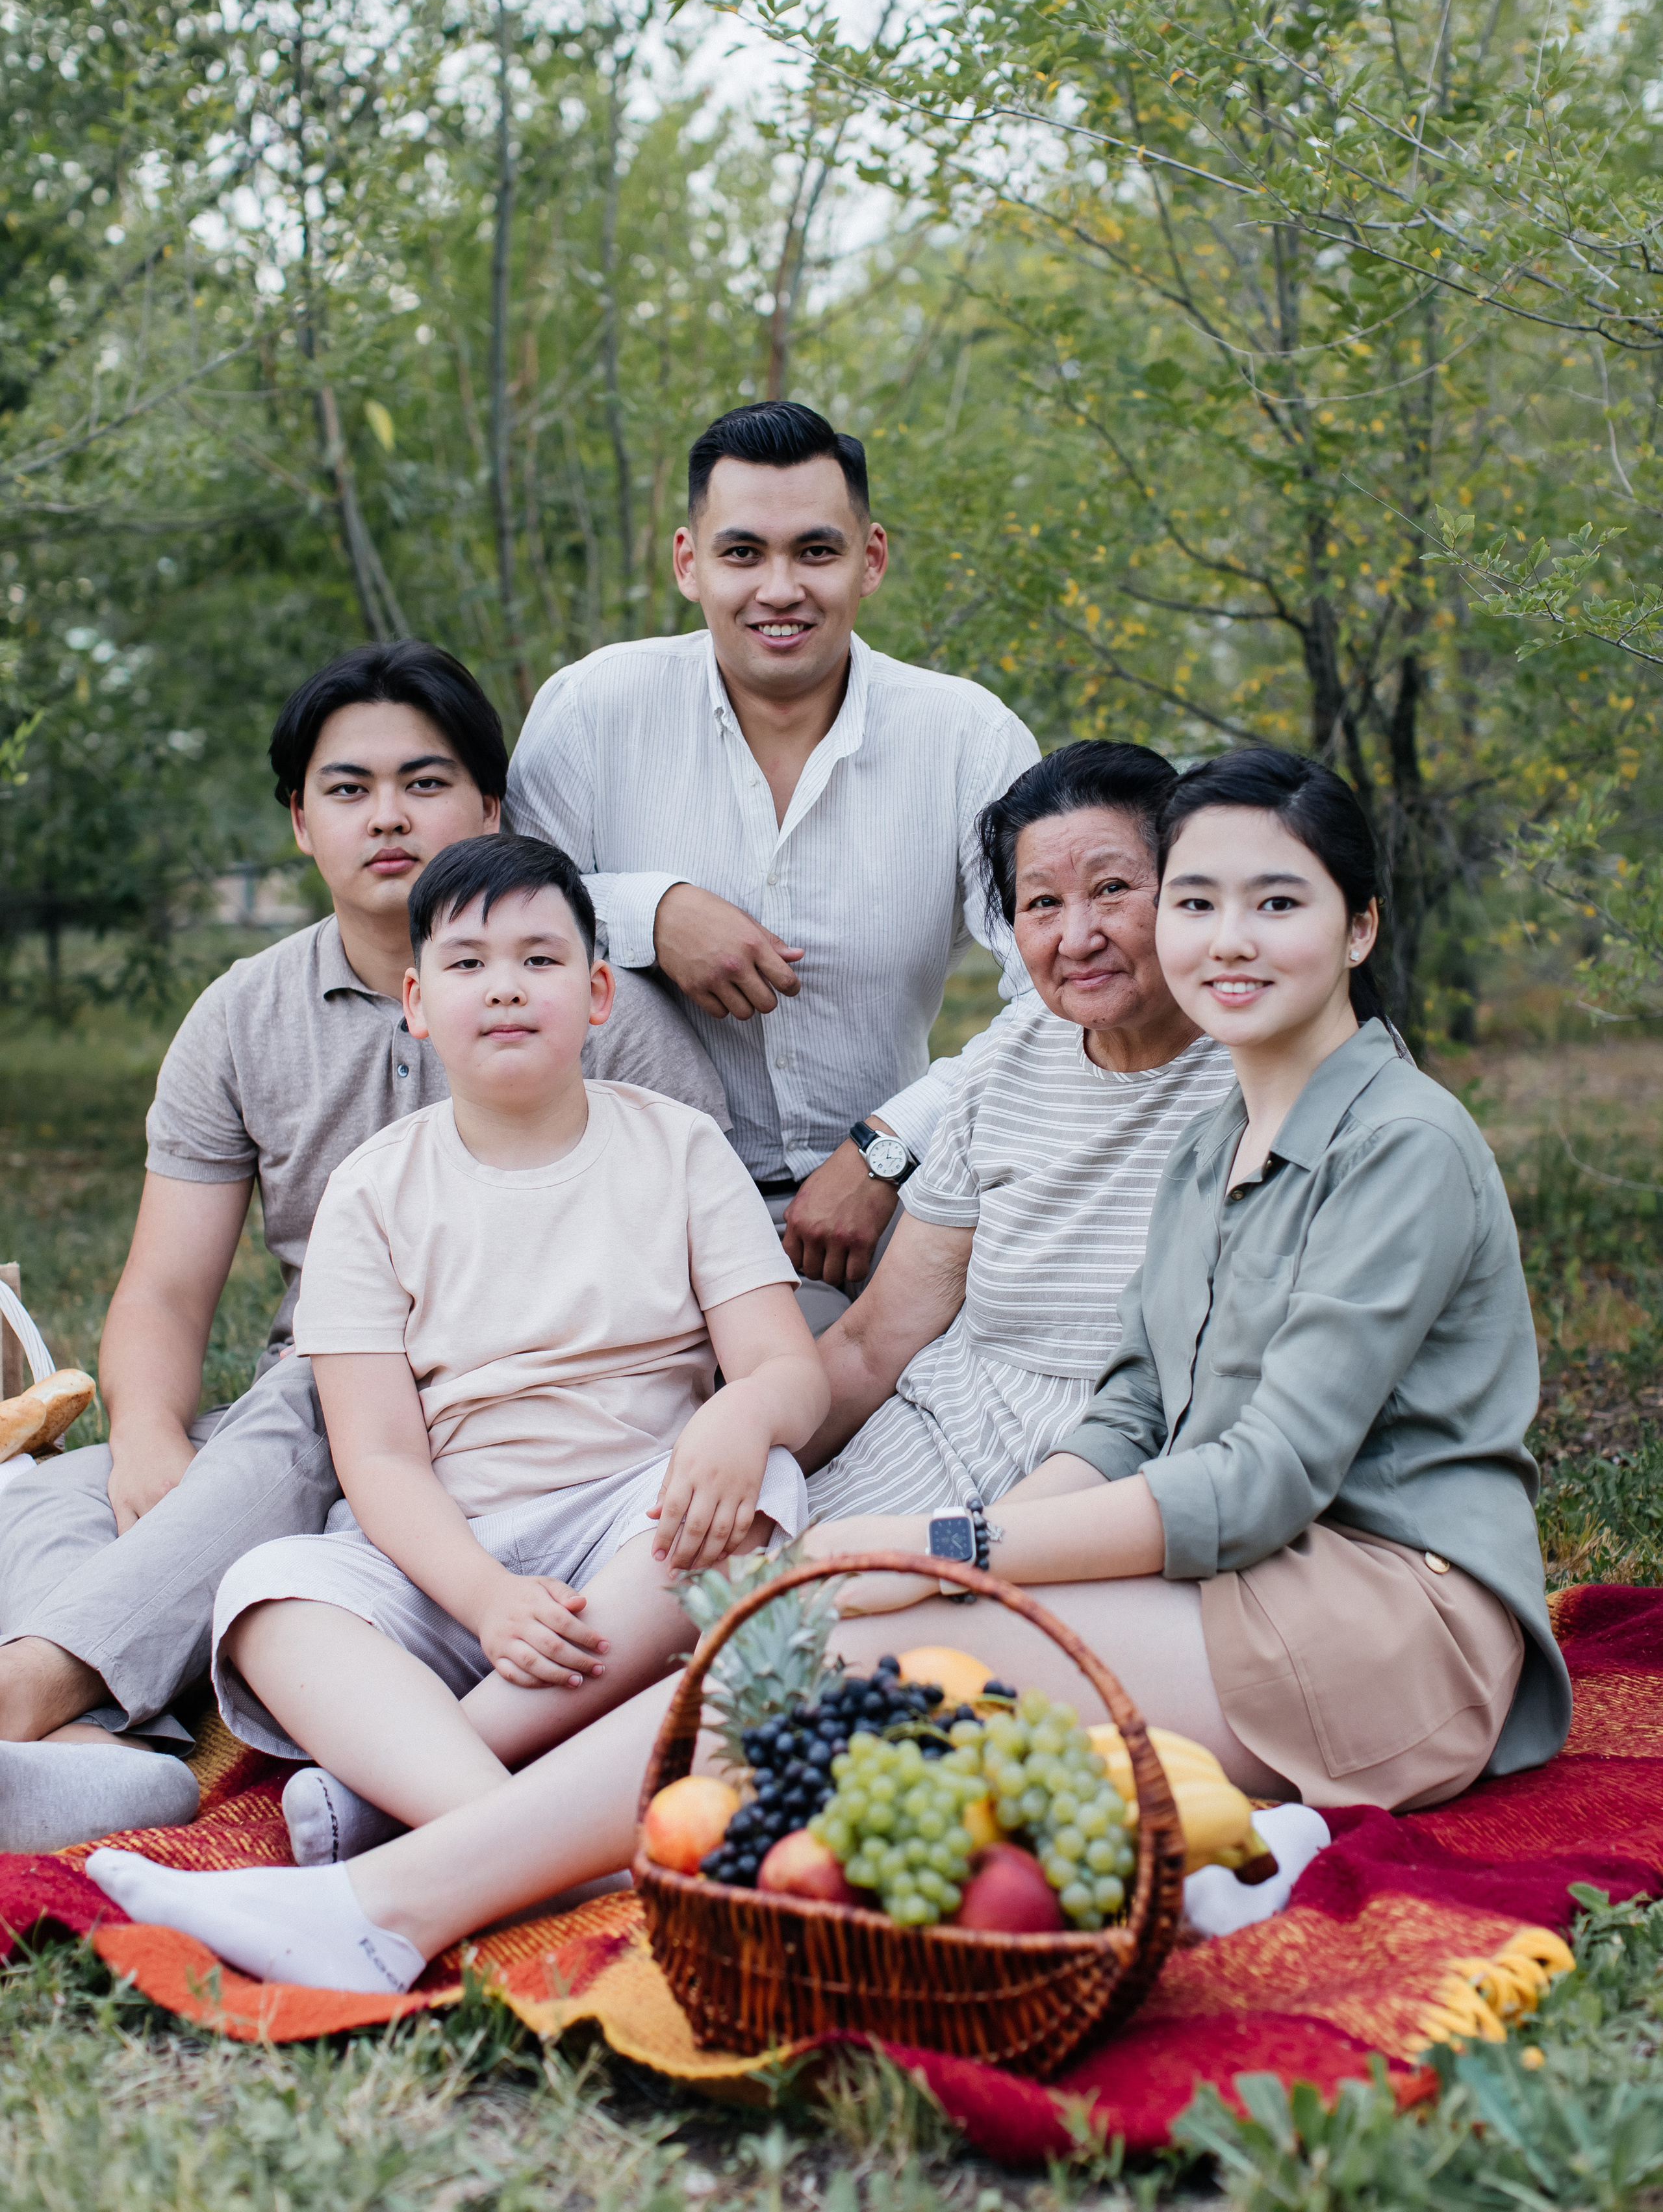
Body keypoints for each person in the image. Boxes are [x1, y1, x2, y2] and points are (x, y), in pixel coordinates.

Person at [86, 748, 1573, 1989]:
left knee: (847, 1655)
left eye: (1272, 904)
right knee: (822, 1622)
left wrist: (960, 1548)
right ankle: (1192, 1853)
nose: (1218, 937)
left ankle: (391, 1909)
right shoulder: (1226, 1120)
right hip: (1238, 1574)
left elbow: (1256, 1478)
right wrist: (950, 1555)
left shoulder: (1392, 1142)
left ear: (1360, 928)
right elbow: (1133, 1399)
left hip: (1385, 1611)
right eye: (1198, 900)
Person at [0, 643, 726, 1851]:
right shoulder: (243, 1013)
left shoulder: (596, 1005)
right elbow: (168, 1291)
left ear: (490, 808)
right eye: (347, 789)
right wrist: (141, 1434)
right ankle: (106, 1759)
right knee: (42, 1494)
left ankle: (21, 1700)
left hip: (495, 1416)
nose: (387, 815)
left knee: (296, 1413)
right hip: (331, 1387)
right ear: (299, 822)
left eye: (425, 782)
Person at [207, 833, 823, 1877]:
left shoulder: (678, 1148)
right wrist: (485, 1599)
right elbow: (382, 1457)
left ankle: (404, 1793)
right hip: (447, 1557)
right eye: (467, 964)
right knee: (267, 1594)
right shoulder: (372, 1189)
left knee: (759, 1490)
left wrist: (744, 1411)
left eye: (539, 961)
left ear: (595, 996)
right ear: (415, 1001)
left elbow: (789, 1372)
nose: (503, 988)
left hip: (631, 1538)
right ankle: (541, 1839)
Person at [505, 401, 1043, 1332]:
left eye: (817, 553)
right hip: (627, 1207)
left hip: (896, 1211)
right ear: (688, 562)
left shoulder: (970, 740)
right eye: (743, 553)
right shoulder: (594, 711)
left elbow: (1058, 995)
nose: (780, 589)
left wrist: (892, 1147)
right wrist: (651, 912)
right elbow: (498, 932)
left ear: (871, 560)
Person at [802, 739, 1236, 1518]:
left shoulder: (1263, 1070)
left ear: (1190, 894)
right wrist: (731, 1469)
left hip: (1127, 1482)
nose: (1075, 938)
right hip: (936, 1443)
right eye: (1040, 904)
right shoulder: (1013, 1051)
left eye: (1111, 889)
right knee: (719, 1597)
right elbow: (872, 1345)